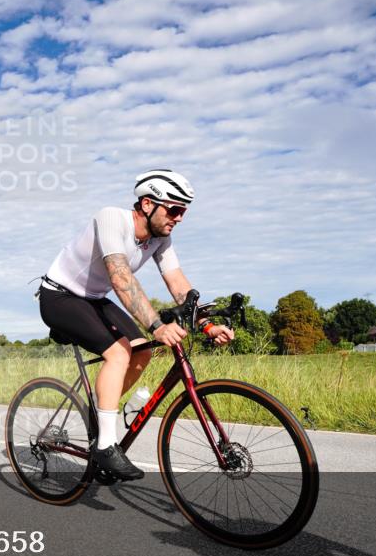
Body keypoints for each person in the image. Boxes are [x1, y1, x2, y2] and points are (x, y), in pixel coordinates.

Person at [37, 169, 235, 480]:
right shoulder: (111, 219)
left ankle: (104, 411)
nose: (180, 218)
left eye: (184, 211)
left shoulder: (162, 240)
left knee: (141, 351)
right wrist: (157, 324)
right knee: (119, 353)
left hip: (93, 299)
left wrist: (207, 324)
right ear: (146, 204)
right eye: (174, 209)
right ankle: (104, 446)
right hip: (60, 296)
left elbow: (178, 284)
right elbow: (120, 277)